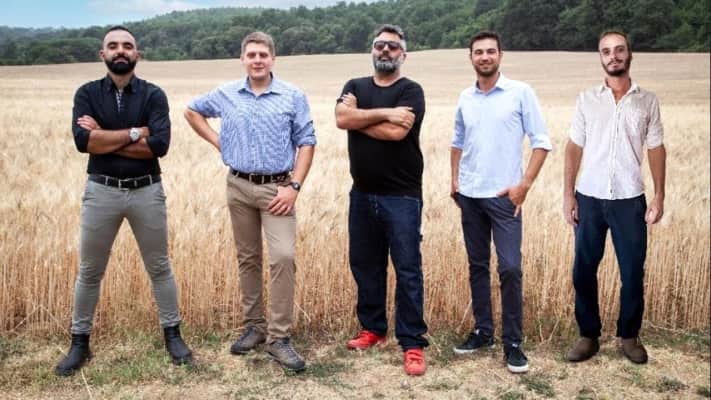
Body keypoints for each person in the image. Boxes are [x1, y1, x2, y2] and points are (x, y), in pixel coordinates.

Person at [56, 26, 192, 376]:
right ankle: (79, 343)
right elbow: (83, 143)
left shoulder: (153, 95)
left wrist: (104, 136)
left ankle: (173, 336)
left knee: (159, 267)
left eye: (127, 46)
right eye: (113, 45)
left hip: (147, 191)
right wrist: (136, 132)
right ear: (102, 54)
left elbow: (159, 146)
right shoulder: (86, 93)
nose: (121, 50)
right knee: (90, 271)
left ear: (137, 54)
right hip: (101, 191)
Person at [184, 31, 316, 372]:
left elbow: (307, 141)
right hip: (238, 186)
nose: (257, 60)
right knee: (248, 258)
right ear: (242, 58)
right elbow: (192, 111)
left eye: (263, 54)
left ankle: (279, 338)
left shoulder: (292, 95)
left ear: (273, 59)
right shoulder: (227, 94)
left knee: (283, 257)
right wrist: (220, 143)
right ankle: (254, 327)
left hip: (277, 189)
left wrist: (294, 186)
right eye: (252, 54)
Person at [450, 30, 551, 374]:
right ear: (471, 58)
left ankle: (513, 343)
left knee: (510, 268)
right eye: (478, 52)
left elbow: (542, 142)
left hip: (505, 199)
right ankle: (483, 332)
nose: (485, 57)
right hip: (470, 196)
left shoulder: (520, 92)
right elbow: (457, 141)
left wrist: (524, 185)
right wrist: (454, 180)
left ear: (500, 55)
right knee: (477, 266)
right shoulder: (465, 97)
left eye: (490, 51)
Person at [564, 30, 666, 365]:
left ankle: (629, 336)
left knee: (633, 272)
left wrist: (659, 196)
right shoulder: (586, 100)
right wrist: (568, 195)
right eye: (606, 51)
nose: (613, 56)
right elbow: (574, 147)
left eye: (619, 49)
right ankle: (588, 335)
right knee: (583, 270)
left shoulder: (647, 101)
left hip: (629, 198)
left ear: (629, 54)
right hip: (589, 197)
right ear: (601, 57)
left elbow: (656, 148)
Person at [335, 24, 428, 376]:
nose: (385, 50)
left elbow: (396, 133)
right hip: (361, 193)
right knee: (365, 264)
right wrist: (386, 112)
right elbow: (341, 118)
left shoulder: (411, 90)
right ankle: (373, 328)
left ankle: (412, 341)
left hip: (402, 196)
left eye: (392, 46)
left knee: (408, 269)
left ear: (403, 54)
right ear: (372, 50)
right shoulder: (354, 85)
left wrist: (358, 118)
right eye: (379, 45)